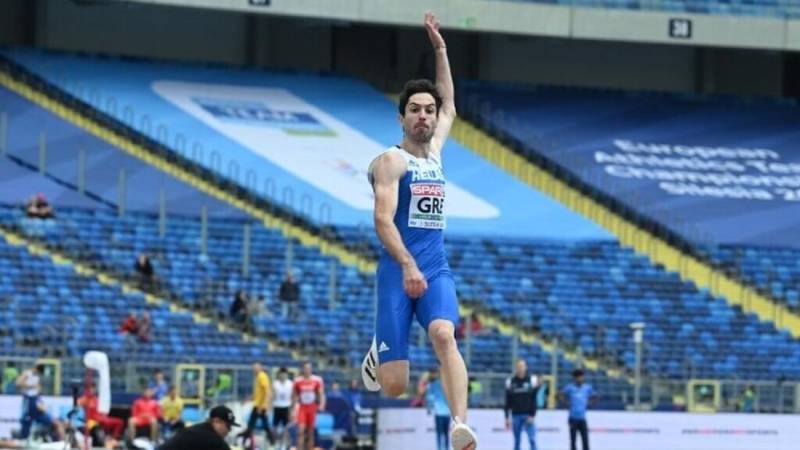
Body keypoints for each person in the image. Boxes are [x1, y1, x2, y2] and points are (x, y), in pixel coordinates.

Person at [359, 11, 477, 450]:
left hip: (435, 267)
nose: (425, 117)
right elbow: (382, 220)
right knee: (393, 386)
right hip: (398, 270)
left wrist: (440, 49)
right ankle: (379, 352)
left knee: (445, 334)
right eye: (415, 110)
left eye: (429, 110)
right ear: (401, 118)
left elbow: (451, 105)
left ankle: (460, 425)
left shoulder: (436, 153)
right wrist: (407, 264)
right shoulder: (392, 162)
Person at [16, 364, 64, 441]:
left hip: (36, 398)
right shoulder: (27, 373)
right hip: (28, 399)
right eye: (38, 372)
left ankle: (51, 437)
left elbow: (37, 387)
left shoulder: (37, 376)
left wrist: (38, 389)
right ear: (36, 369)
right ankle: (24, 437)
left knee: (45, 418)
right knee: (27, 419)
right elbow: (18, 383)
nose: (38, 374)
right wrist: (32, 386)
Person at [159, 405, 239, 450]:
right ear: (216, 421)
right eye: (228, 426)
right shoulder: (213, 440)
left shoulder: (199, 430)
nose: (229, 430)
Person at [237, 363, 275, 449]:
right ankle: (245, 442)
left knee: (256, 425)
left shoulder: (262, 376)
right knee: (254, 425)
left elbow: (267, 391)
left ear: (260, 368)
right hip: (258, 405)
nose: (254, 370)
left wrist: (264, 405)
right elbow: (258, 394)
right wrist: (248, 399)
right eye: (253, 368)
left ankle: (272, 442)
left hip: (260, 406)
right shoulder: (258, 377)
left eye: (255, 368)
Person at [504, 359, 540, 450]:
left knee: (532, 439)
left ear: (526, 367)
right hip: (516, 415)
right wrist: (506, 417)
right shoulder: (510, 382)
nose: (520, 368)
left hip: (528, 415)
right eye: (519, 366)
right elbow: (507, 402)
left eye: (522, 366)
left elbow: (534, 400)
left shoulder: (531, 380)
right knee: (517, 441)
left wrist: (532, 415)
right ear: (516, 368)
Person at [559, 369, 596, 450]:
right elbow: (560, 394)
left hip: (582, 418)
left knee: (585, 439)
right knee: (573, 440)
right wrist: (565, 403)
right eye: (578, 377)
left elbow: (595, 396)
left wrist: (590, 404)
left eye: (581, 377)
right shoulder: (570, 387)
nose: (580, 379)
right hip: (572, 418)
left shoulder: (587, 388)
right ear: (575, 378)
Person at [292, 362, 325, 450]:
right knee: (301, 430)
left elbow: (321, 393)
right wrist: (293, 409)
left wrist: (321, 404)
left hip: (312, 407)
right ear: (303, 369)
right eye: (306, 368)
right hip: (302, 407)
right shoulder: (298, 381)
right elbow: (294, 395)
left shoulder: (317, 380)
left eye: (309, 368)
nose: (307, 370)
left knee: (311, 431)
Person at [425, 368, 451, 450]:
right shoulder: (449, 385)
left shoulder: (433, 384)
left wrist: (429, 408)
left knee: (439, 433)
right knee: (446, 433)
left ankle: (439, 448)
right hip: (447, 412)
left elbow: (430, 397)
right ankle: (446, 448)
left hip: (439, 412)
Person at [272, 367, 294, 450]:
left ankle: (283, 444)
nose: (283, 376)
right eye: (281, 374)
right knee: (275, 427)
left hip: (286, 407)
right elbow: (273, 396)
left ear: (287, 375)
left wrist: (292, 409)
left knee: (286, 428)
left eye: (284, 374)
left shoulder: (290, 384)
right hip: (277, 406)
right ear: (279, 375)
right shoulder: (275, 384)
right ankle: (275, 443)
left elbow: (292, 396)